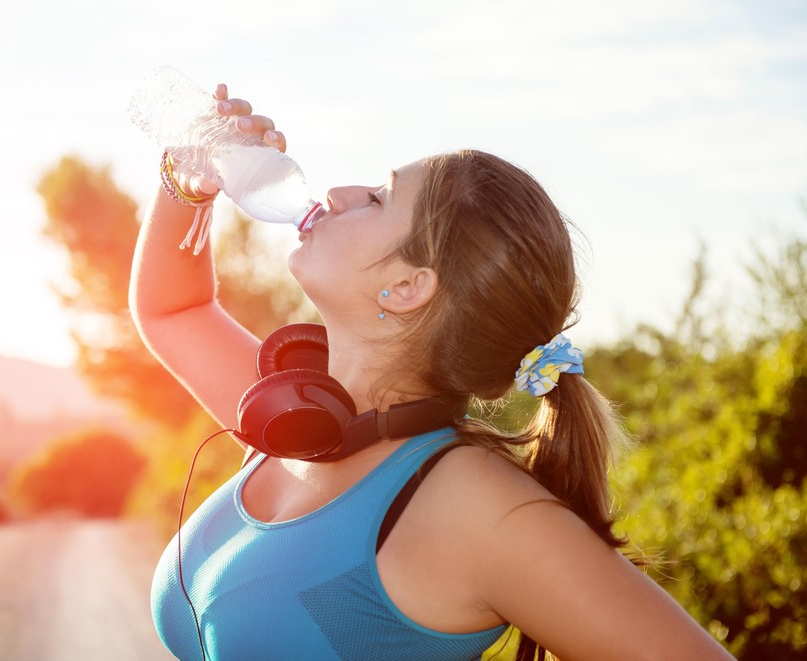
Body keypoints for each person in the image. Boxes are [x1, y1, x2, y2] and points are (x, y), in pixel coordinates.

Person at [129, 82, 734, 661]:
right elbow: (172, 311)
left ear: (407, 286)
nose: (337, 193)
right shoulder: (295, 419)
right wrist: (189, 184)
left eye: (377, 197)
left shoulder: (472, 504)